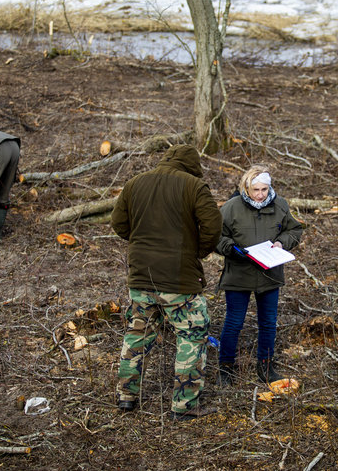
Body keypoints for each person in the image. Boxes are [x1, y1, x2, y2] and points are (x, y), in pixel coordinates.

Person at [111, 144, 223, 422]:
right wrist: (196, 252)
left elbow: (118, 224)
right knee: (192, 336)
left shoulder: (134, 183)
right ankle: (183, 406)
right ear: (192, 165)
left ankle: (126, 396)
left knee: (136, 336)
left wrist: (142, 244)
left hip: (141, 277)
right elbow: (213, 227)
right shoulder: (194, 186)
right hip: (180, 280)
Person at [215, 165, 303, 385]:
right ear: (246, 187)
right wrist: (234, 250)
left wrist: (282, 243)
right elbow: (216, 236)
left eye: (265, 189)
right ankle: (225, 369)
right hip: (238, 273)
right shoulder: (231, 207)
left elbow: (294, 230)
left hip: (269, 273)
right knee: (234, 323)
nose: (261, 194)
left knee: (268, 322)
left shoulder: (280, 205)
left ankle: (266, 368)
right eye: (256, 189)